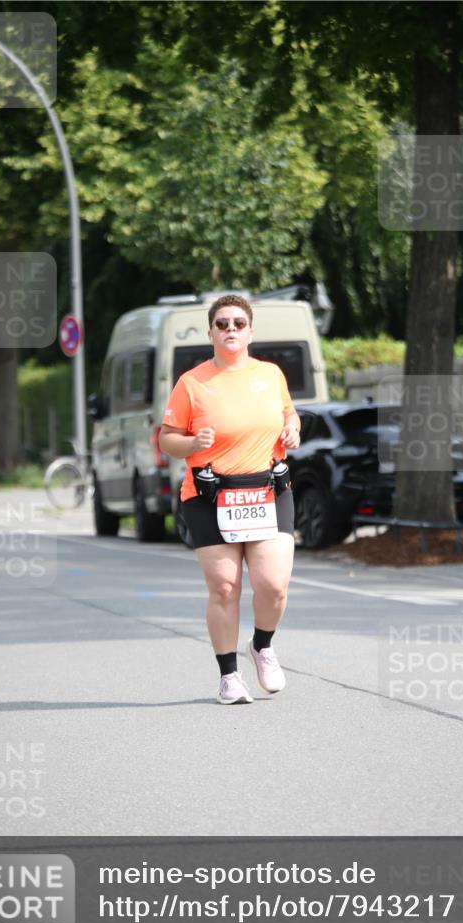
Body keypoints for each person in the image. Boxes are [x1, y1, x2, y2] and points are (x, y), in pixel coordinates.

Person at [159, 294, 301, 705]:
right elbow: (167, 439)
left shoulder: (271, 374)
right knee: (224, 587)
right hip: (210, 496)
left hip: (267, 490)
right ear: (210, 333)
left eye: (239, 323)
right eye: (222, 324)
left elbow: (289, 413)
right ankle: (229, 676)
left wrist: (292, 428)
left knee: (273, 586)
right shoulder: (192, 382)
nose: (231, 330)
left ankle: (262, 645)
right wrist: (191, 441)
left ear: (251, 331)